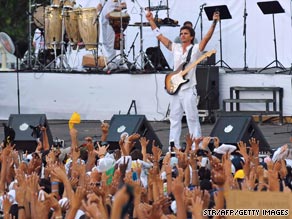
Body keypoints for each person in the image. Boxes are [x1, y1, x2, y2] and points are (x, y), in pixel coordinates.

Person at [146, 10, 220, 149]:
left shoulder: (196, 49)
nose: (182, 35)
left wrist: (214, 23)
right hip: (175, 89)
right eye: (181, 33)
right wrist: (151, 20)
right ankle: (173, 146)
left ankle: (196, 146)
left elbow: (206, 39)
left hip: (188, 89)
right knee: (174, 119)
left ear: (191, 37)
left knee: (192, 118)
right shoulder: (176, 47)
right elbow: (160, 37)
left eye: (185, 33)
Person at [96, 0, 128, 71]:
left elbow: (124, 5)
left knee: (111, 42)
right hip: (104, 20)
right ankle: (113, 61)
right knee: (105, 42)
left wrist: (116, 9)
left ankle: (112, 63)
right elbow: (101, 5)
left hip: (113, 20)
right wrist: (94, 12)